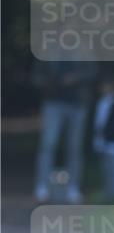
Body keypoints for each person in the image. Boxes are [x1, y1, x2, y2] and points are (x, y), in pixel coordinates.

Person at [33, 59, 97, 203]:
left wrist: (76, 77)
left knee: (75, 147)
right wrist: (50, 84)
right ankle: (42, 186)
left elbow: (93, 71)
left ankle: (73, 188)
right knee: (48, 144)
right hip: (53, 102)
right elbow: (36, 76)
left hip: (78, 103)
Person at [92, 76, 114, 199]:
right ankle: (108, 192)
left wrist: (109, 134)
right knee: (106, 168)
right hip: (102, 140)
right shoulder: (102, 102)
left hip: (113, 141)